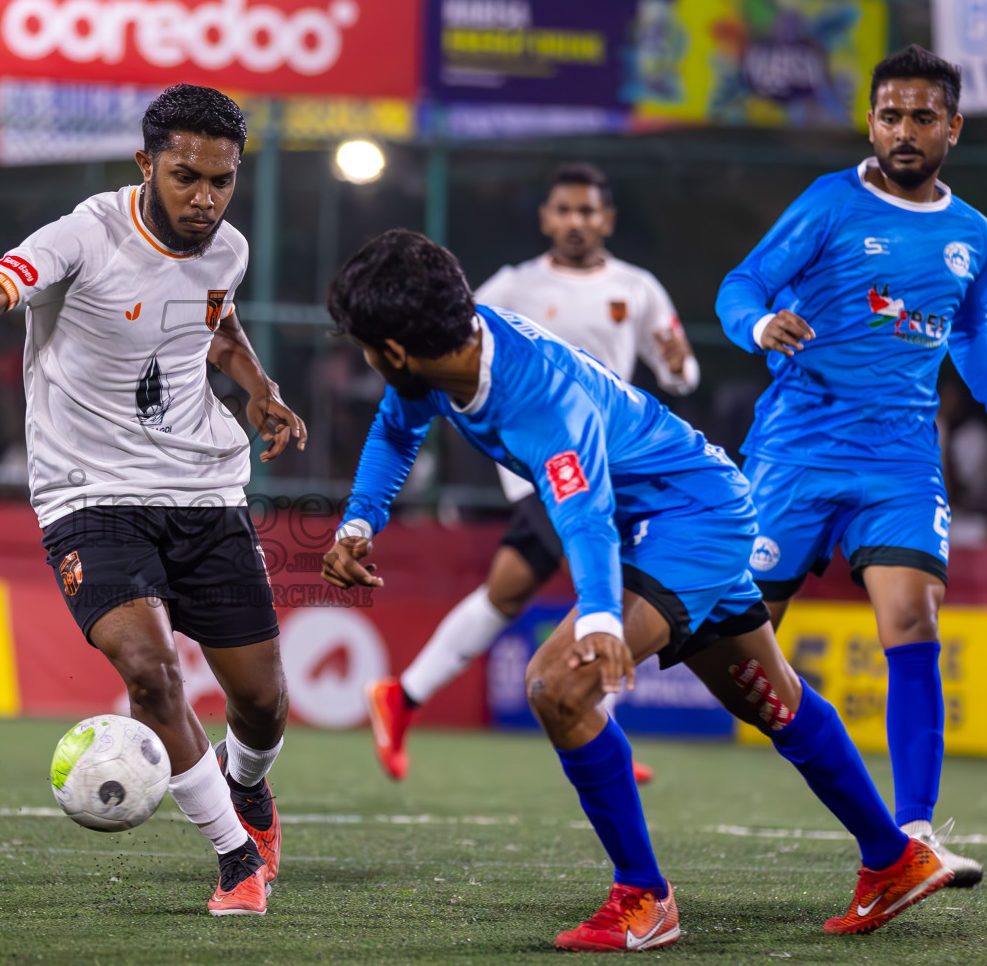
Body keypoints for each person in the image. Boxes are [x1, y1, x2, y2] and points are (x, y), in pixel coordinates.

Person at [323, 229, 953, 951]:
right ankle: (894, 859)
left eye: (367, 348)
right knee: (769, 697)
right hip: (677, 514)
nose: (367, 361)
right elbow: (396, 430)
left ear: (395, 350)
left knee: (557, 686)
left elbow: (582, 513)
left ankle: (643, 899)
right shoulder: (449, 353)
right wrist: (359, 523)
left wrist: (598, 618)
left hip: (689, 521)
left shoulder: (540, 398)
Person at [0, 84, 306, 916]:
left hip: (204, 488)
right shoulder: (86, 232)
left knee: (263, 701)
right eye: (185, 177)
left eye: (221, 180)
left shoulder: (227, 250)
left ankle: (248, 791)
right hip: (88, 493)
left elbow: (216, 321)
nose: (204, 198)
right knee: (149, 671)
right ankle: (236, 860)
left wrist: (259, 388)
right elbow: (12, 278)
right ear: (145, 165)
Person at [716, 44, 987, 888]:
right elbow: (743, 283)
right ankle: (603, 733)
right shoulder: (830, 204)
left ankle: (913, 834)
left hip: (902, 460)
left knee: (914, 622)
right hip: (795, 453)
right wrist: (759, 327)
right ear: (870, 120)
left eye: (921, 116)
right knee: (731, 646)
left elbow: (972, 334)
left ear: (953, 124)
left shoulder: (972, 233)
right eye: (888, 115)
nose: (903, 131)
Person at [365, 162, 699, 784]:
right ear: (546, 218)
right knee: (607, 584)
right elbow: (454, 336)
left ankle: (401, 696)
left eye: (588, 211)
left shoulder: (639, 286)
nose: (576, 222)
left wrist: (681, 368)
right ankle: (604, 733)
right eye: (564, 210)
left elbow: (680, 372)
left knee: (508, 592)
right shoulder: (514, 286)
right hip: (542, 466)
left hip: (610, 459)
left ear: (608, 219)